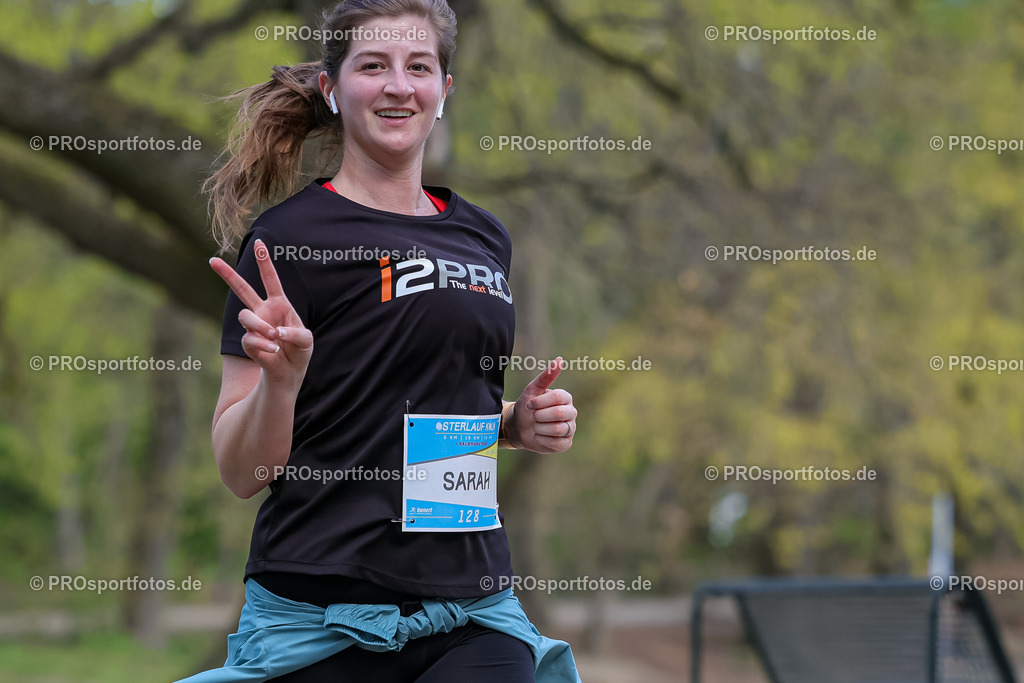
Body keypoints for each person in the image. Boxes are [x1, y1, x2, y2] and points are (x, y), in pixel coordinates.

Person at [178, 1, 580, 681]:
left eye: (418, 66)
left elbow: (419, 410)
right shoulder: (289, 241)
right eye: (373, 65)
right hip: (321, 613)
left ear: (443, 91)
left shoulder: (485, 237)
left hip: (471, 607)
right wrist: (281, 381)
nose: (399, 84)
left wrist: (514, 424)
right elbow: (242, 472)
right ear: (333, 89)